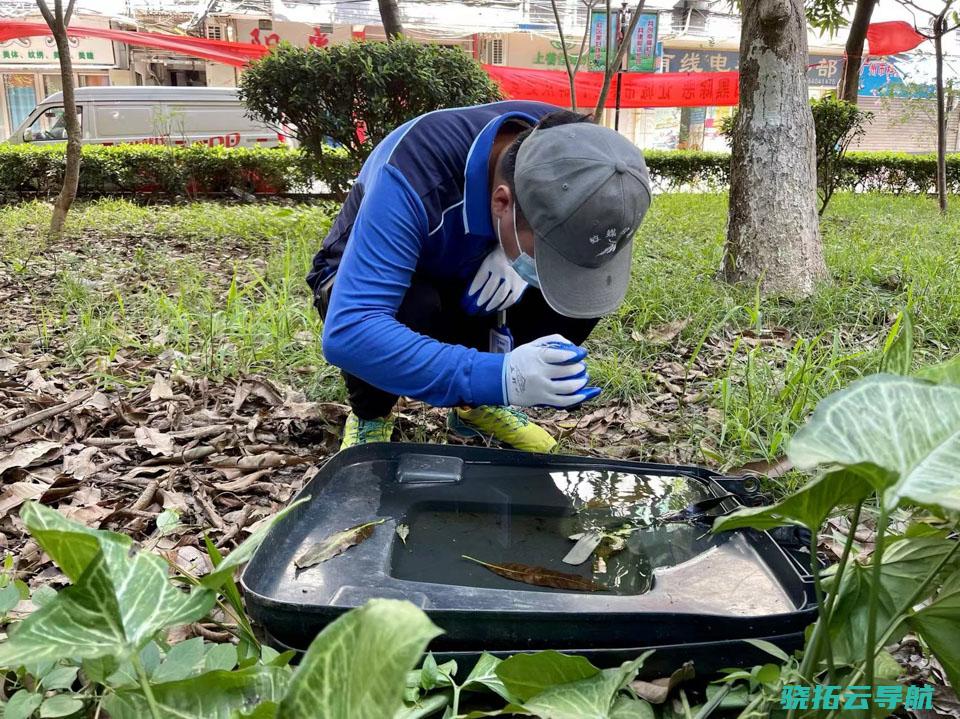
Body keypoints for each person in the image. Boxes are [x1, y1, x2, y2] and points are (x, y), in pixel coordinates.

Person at [307, 101, 651, 452]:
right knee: (413, 305)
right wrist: (500, 377)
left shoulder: (570, 146)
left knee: (577, 285)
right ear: (501, 203)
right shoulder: (415, 172)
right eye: (546, 253)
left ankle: (475, 406)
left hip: (473, 260)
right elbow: (350, 330)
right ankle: (372, 414)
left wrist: (507, 249)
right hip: (381, 276)